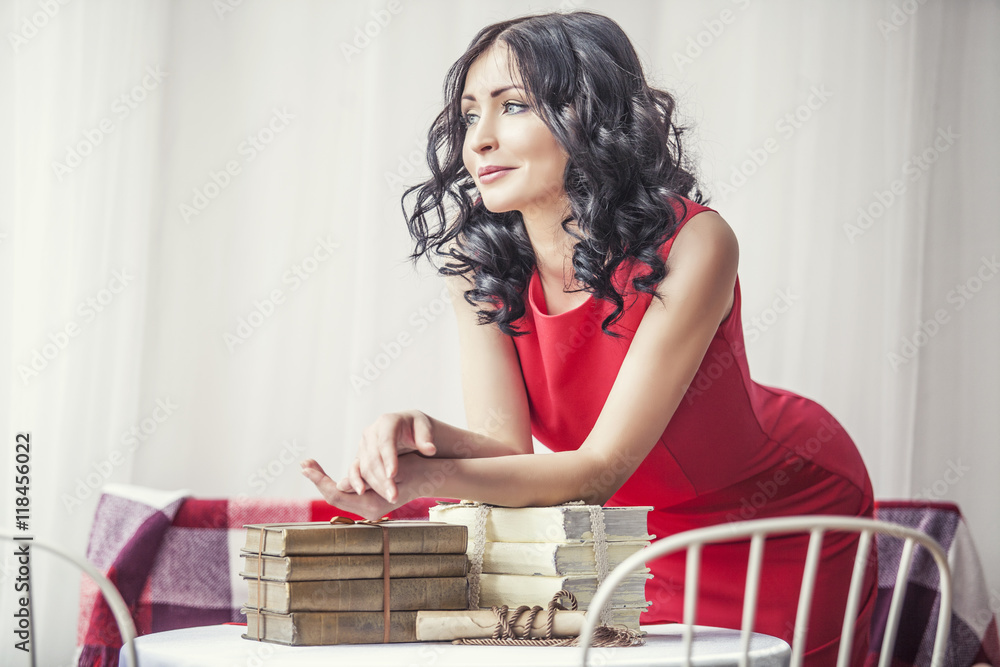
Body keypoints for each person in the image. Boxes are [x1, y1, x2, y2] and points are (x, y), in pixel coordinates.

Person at [301, 10, 876, 664]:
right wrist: (421, 437)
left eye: (511, 105)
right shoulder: (479, 268)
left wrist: (425, 479)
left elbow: (600, 469)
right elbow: (507, 451)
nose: (480, 139)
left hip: (784, 510)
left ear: (587, 113)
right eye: (468, 115)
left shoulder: (697, 242)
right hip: (638, 535)